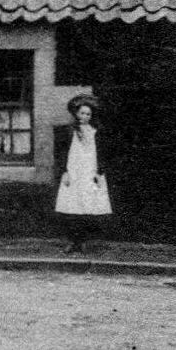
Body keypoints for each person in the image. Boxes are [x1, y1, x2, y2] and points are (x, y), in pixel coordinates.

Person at [54, 94, 113, 253]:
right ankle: (72, 241)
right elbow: (62, 154)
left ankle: (83, 241)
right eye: (82, 113)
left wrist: (99, 172)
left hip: (89, 171)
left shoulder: (96, 131)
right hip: (73, 172)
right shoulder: (68, 131)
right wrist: (64, 172)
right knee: (71, 206)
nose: (84, 117)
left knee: (88, 206)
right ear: (76, 114)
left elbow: (101, 153)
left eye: (88, 114)